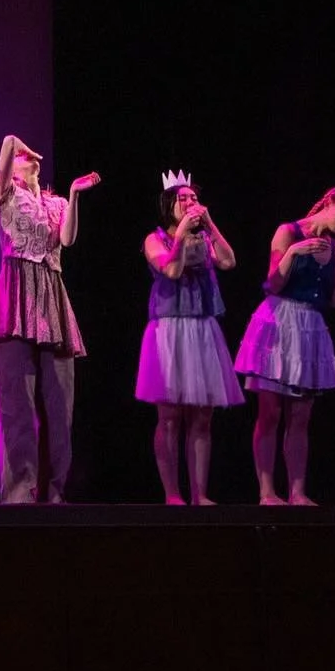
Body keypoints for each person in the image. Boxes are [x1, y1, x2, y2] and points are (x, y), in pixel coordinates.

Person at [233, 173, 335, 506]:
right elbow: (274, 283)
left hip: (310, 326)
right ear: (329, 202)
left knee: (301, 417)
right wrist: (294, 252)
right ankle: (267, 491)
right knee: (270, 412)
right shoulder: (289, 231)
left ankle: (297, 491)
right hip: (279, 321)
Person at [0, 135, 98, 504]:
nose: (28, 157)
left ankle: (55, 491)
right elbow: (7, 143)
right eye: (22, 156)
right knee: (18, 405)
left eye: (32, 156)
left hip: (51, 298)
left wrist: (75, 194)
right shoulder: (5, 193)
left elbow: (68, 239)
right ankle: (20, 492)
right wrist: (16, 144)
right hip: (15, 297)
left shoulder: (56, 202)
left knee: (59, 405)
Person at [135, 170, 243, 505]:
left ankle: (200, 493)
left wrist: (210, 226)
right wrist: (182, 232)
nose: (191, 203)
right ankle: (172, 494)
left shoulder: (205, 239)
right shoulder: (154, 239)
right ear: (170, 204)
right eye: (183, 199)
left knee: (202, 415)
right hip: (169, 329)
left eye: (194, 199)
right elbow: (171, 269)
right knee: (169, 416)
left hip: (202, 328)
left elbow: (229, 261)